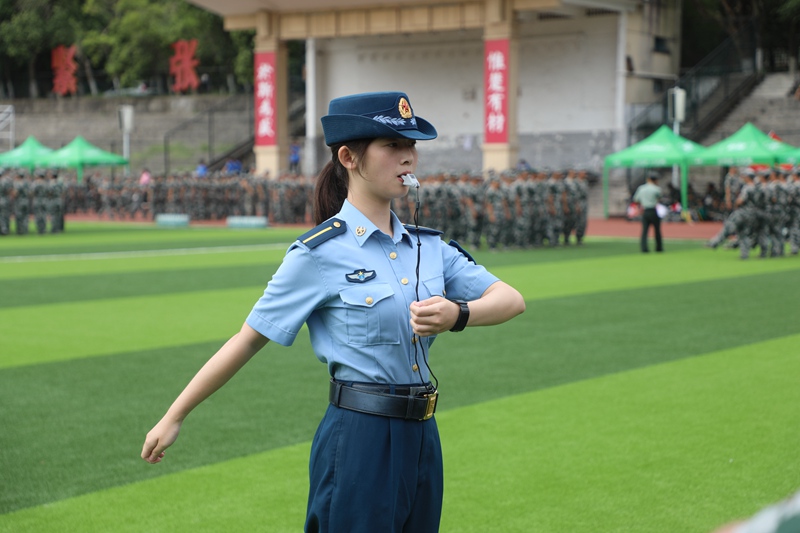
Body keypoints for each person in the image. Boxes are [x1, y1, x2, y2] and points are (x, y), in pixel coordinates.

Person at [141, 91, 526, 533]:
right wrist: (175, 416)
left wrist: (458, 314)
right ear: (349, 157)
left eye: (411, 147)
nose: (408, 159)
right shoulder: (318, 254)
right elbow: (248, 338)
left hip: (422, 436)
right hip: (359, 436)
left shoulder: (429, 246)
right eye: (392, 147)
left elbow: (510, 299)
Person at [633, 172, 664, 252]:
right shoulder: (656, 189)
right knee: (657, 230)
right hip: (653, 210)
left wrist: (639, 208)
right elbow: (659, 198)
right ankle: (659, 248)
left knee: (644, 231)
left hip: (645, 211)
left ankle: (644, 248)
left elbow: (636, 200)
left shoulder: (641, 188)